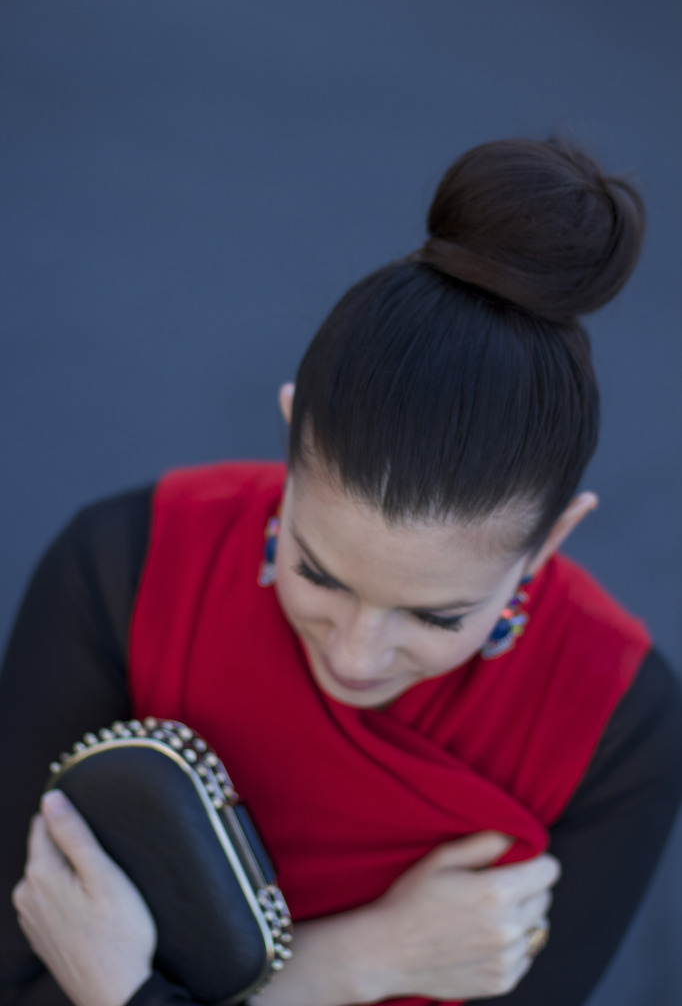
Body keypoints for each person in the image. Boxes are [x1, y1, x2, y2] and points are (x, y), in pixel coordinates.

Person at [2, 137, 682, 1006]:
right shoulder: (122, 571)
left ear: (549, 545)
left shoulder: (616, 726)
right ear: (291, 442)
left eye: (436, 617)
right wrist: (358, 963)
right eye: (318, 573)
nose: (357, 656)